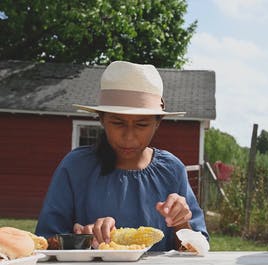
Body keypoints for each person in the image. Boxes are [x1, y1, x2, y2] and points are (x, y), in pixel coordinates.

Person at [36, 61, 208, 251]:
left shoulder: (172, 170)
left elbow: (197, 250)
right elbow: (44, 242)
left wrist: (181, 223)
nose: (128, 137)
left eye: (141, 125)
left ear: (158, 122)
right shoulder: (75, 167)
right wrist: (84, 238)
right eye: (117, 123)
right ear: (101, 119)